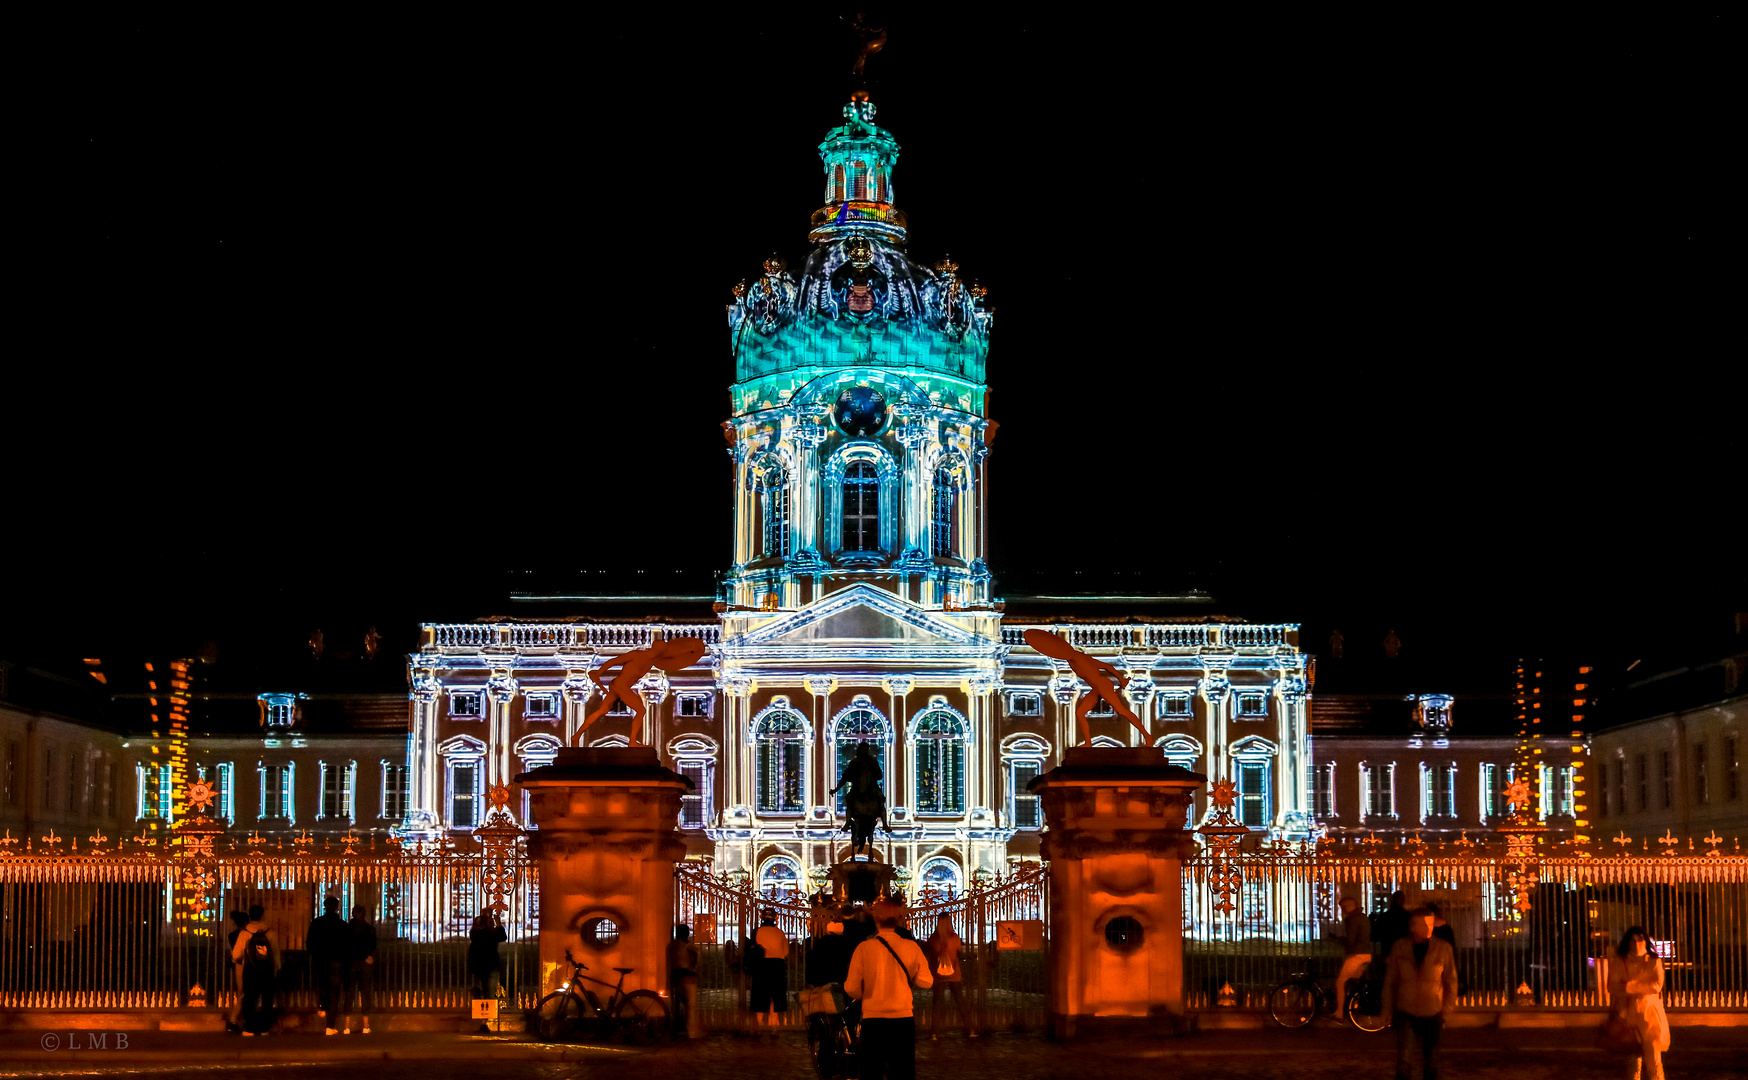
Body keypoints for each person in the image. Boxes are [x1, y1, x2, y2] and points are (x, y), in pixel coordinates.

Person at [846, 899, 932, 1080]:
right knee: (902, 1070)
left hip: (873, 1018)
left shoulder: (864, 948)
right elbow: (927, 981)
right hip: (902, 1018)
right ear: (898, 920)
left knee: (871, 1070)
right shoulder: (911, 947)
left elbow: (851, 987)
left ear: (876, 920)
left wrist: (867, 995)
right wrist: (911, 978)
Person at [1382, 906, 1458, 1080]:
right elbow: (1390, 980)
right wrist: (1387, 1008)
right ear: (1413, 926)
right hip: (1406, 1009)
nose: (1429, 928)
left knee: (1431, 1061)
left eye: (1431, 924)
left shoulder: (1442, 948)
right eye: (1424, 924)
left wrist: (1446, 1009)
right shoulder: (1400, 947)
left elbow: (1451, 980)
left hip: (1433, 1010)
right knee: (1404, 1060)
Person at [1608, 927, 1669, 1080]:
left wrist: (1628, 987)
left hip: (1650, 1015)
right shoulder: (1620, 961)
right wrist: (1637, 988)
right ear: (1627, 942)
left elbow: (1656, 985)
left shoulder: (1654, 961)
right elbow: (1612, 986)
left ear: (1646, 941)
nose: (1637, 944)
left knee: (1654, 1061)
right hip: (1627, 1015)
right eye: (1633, 940)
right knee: (1633, 1063)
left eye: (1640, 940)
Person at [231, 904, 280, 1036]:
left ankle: (250, 1027)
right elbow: (275, 953)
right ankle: (265, 1028)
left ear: (250, 916)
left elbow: (235, 955)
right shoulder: (270, 932)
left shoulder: (244, 933)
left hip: (250, 969)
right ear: (262, 915)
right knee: (267, 998)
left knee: (249, 998)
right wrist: (277, 968)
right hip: (267, 970)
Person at [924, 915, 976, 1039]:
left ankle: (934, 1032)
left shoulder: (933, 939)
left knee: (937, 1004)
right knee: (961, 1002)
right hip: (954, 974)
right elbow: (958, 954)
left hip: (938, 975)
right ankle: (971, 1030)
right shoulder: (955, 938)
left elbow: (928, 953)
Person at [306, 896, 351, 1035]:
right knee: (335, 993)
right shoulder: (342, 925)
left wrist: (317, 954)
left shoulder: (316, 923)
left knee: (322, 987)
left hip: (321, 961)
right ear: (337, 907)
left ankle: (323, 1007)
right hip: (337, 961)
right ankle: (330, 1025)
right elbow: (347, 946)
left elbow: (309, 944)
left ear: (324, 906)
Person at [1330, 896, 1373, 1017]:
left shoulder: (1352, 919)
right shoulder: (1364, 917)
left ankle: (1339, 1013)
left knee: (1340, 982)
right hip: (1366, 954)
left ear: (1349, 906)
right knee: (1354, 982)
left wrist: (1338, 940)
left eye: (1343, 907)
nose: (1342, 910)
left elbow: (1350, 941)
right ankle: (1355, 1005)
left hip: (1356, 955)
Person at [750, 907, 790, 1035]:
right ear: (775, 918)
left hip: (761, 965)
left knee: (759, 995)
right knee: (776, 996)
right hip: (777, 965)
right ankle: (774, 1027)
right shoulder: (780, 933)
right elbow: (786, 951)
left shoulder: (757, 932)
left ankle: (758, 1026)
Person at [468, 909, 507, 1032]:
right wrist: (498, 925)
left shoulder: (486, 929)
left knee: (487, 994)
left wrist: (497, 925)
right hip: (485, 966)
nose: (489, 918)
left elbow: (501, 937)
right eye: (489, 915)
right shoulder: (484, 929)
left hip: (484, 966)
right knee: (485, 993)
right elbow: (500, 936)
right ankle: (482, 1021)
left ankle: (483, 1022)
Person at [345, 904, 377, 1035]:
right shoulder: (369, 929)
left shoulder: (348, 929)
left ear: (353, 914)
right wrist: (367, 956)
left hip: (351, 963)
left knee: (349, 993)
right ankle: (365, 1026)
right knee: (365, 993)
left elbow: (345, 945)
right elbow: (373, 945)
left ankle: (346, 1027)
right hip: (365, 963)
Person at [669, 923, 702, 1039]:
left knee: (678, 1004)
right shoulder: (688, 945)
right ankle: (691, 1032)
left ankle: (675, 1028)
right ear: (687, 934)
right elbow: (697, 953)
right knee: (691, 1006)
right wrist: (694, 966)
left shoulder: (671, 946)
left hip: (676, 978)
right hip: (689, 977)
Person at [224, 911, 250, 1034]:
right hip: (246, 965)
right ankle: (234, 1020)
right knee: (244, 994)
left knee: (241, 992)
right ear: (246, 922)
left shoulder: (232, 935)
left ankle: (237, 1020)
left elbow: (234, 953)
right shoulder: (246, 934)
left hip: (238, 965)